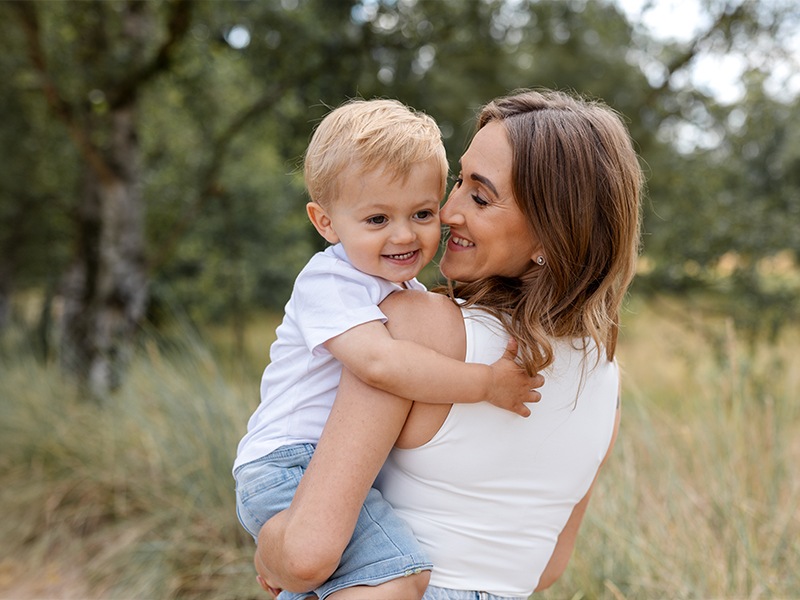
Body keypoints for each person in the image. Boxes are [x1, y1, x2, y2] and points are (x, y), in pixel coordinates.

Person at [253, 88, 642, 599]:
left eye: (480, 197)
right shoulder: (606, 383)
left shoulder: (413, 327)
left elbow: (305, 554)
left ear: (553, 237)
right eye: (458, 181)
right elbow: (545, 567)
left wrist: (268, 550)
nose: (447, 210)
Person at [234, 98, 541, 600]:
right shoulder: (329, 281)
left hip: (318, 465)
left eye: (421, 212)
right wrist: (486, 383)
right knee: (399, 576)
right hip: (288, 463)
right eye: (377, 219)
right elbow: (381, 363)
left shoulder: (407, 294)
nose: (404, 234)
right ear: (326, 223)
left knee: (343, 580)